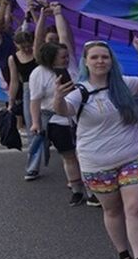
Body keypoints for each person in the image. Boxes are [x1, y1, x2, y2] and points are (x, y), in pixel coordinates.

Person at [53, 38, 138, 259]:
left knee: (135, 207)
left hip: (132, 156)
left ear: (111, 61)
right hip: (97, 163)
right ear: (86, 63)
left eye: (105, 56)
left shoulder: (122, 85)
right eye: (95, 57)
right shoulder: (80, 91)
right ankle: (124, 254)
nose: (100, 61)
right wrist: (58, 97)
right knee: (112, 210)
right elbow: (64, 110)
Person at [27, 37, 91, 205]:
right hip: (56, 121)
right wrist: (35, 123)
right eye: (63, 57)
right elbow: (34, 101)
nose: (67, 59)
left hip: (79, 118)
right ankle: (77, 191)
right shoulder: (39, 74)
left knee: (84, 155)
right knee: (69, 156)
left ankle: (93, 191)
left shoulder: (71, 68)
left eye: (67, 56)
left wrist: (57, 14)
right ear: (51, 57)